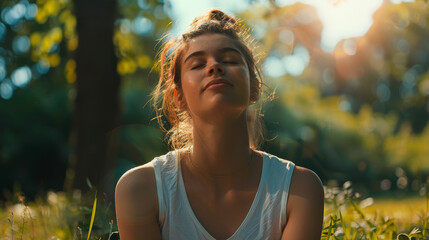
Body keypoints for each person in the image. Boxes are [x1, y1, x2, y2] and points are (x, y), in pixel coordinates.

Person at [115, 9, 324, 240]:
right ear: (179, 97)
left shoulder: (300, 190)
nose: (214, 67)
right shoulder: (141, 189)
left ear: (254, 87)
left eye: (230, 60)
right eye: (197, 65)